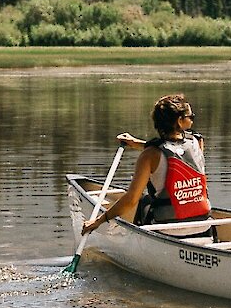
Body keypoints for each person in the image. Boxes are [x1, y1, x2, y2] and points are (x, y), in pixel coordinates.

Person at [80, 93, 214, 239]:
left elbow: (131, 199)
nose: (193, 120)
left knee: (144, 200)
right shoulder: (197, 142)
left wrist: (99, 221)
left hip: (168, 231)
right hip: (204, 227)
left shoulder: (149, 155)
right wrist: (136, 143)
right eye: (191, 117)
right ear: (180, 121)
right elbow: (176, 152)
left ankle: (136, 242)